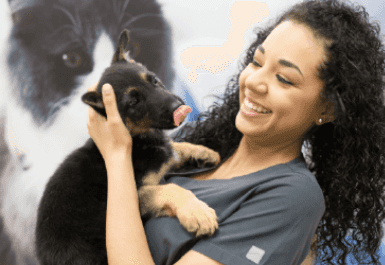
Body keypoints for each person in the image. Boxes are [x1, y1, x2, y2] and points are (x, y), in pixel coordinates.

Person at [86, 0, 385, 264]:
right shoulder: (197, 154)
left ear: (328, 109)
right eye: (257, 61)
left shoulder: (293, 196)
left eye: (284, 78)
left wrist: (117, 154)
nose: (254, 82)